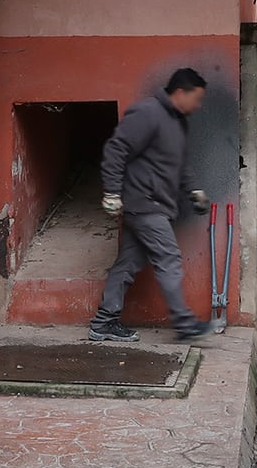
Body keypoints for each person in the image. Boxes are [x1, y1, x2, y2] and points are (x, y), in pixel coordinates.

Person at [90, 69, 213, 344]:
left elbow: (179, 164)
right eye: (197, 98)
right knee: (168, 258)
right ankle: (184, 323)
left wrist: (193, 190)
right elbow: (116, 149)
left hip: (154, 206)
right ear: (181, 92)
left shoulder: (178, 122)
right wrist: (111, 191)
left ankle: (103, 323)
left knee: (127, 264)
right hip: (145, 204)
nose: (199, 105)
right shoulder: (147, 113)